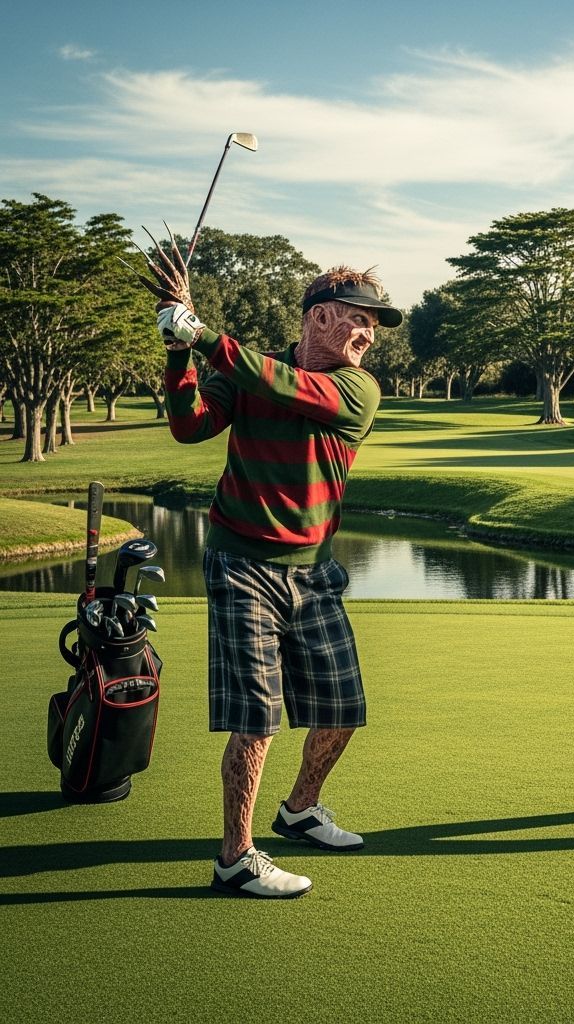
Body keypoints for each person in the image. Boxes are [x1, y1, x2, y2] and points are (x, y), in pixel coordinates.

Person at [140, 239, 401, 897]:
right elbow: (190, 425)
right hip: (241, 562)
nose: (369, 333)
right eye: (359, 317)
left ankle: (300, 808)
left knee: (341, 708)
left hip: (314, 570)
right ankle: (236, 855)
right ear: (319, 318)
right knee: (257, 717)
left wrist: (200, 332)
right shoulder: (252, 372)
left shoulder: (356, 389)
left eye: (374, 324)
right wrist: (178, 353)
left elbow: (290, 387)